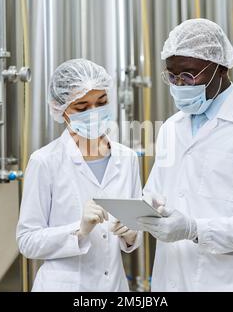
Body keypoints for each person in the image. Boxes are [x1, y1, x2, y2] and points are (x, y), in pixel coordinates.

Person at [137, 18, 233, 292]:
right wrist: (137, 218)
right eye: (172, 76)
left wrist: (195, 229)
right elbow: (156, 194)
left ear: (221, 68)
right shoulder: (171, 127)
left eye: (189, 75)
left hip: (225, 282)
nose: (180, 85)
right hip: (170, 279)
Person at [16, 58, 142, 292]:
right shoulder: (44, 161)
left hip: (115, 287)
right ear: (62, 110)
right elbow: (27, 241)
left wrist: (133, 235)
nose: (94, 113)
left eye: (101, 102)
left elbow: (132, 236)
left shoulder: (127, 159)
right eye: (82, 108)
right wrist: (79, 230)